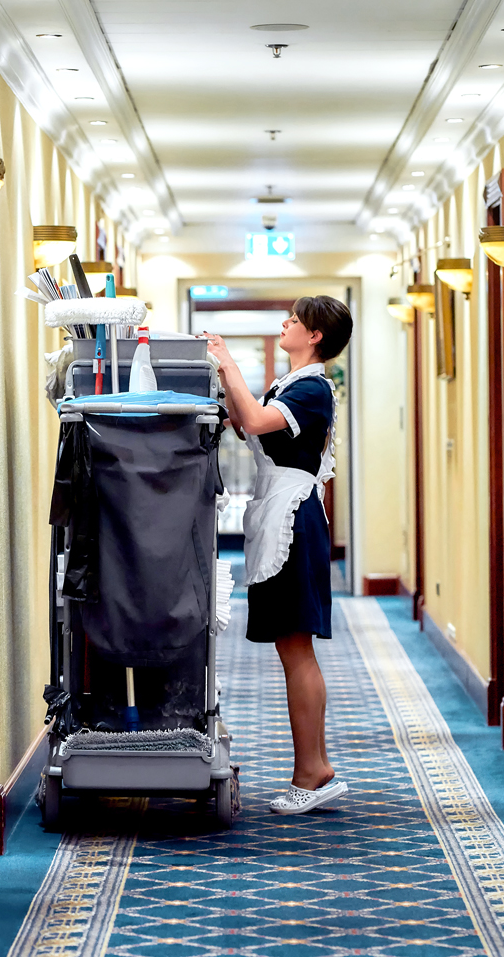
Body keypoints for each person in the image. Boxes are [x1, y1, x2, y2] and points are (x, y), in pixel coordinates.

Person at [204, 295, 353, 815]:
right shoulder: (290, 385)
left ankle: (312, 772)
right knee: (292, 650)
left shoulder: (313, 388)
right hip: (279, 509)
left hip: (295, 517)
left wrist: (226, 362)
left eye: (294, 320)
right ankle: (312, 767)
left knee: (297, 649)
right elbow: (247, 423)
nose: (285, 323)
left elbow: (254, 419)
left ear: (314, 336)